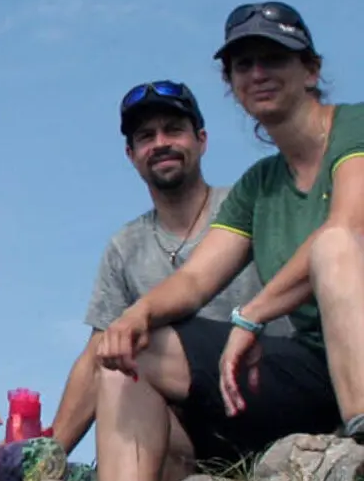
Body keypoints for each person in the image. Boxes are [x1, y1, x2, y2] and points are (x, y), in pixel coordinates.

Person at [94, 3, 364, 481]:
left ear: (311, 68)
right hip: (316, 370)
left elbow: (347, 224)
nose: (258, 73)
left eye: (273, 58)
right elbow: (197, 279)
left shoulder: (355, 127)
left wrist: (252, 316)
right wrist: (135, 315)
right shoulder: (259, 185)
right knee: (132, 355)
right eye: (244, 64)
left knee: (332, 246)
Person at [50, 80, 289, 456]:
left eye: (174, 130)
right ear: (131, 154)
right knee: (117, 360)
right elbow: (97, 352)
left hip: (271, 395)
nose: (160, 143)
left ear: (202, 140)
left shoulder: (248, 206)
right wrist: (48, 455)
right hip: (192, 429)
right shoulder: (124, 247)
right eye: (146, 136)